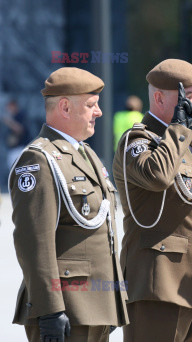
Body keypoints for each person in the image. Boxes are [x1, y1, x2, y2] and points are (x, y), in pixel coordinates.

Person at [9, 67, 129, 342]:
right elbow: (34, 241)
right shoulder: (39, 160)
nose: (98, 112)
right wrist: (50, 309)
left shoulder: (87, 155)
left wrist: (112, 303)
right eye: (91, 105)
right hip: (67, 307)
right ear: (64, 107)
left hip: (96, 306)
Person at [113, 59, 192, 342]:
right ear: (159, 98)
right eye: (188, 97)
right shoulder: (138, 141)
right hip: (158, 287)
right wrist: (178, 129)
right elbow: (157, 176)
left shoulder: (184, 142)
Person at [3, 99, 30, 168]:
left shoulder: (20, 115)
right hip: (14, 149)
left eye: (10, 106)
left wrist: (8, 121)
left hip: (21, 148)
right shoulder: (13, 117)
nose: (9, 109)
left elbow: (19, 129)